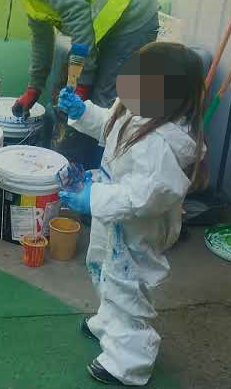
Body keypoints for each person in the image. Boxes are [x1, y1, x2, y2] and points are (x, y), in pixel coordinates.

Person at [57, 42, 205, 386]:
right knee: (103, 269)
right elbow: (108, 125)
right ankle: (110, 323)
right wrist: (82, 111)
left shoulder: (160, 142)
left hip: (137, 228)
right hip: (115, 218)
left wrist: (93, 196)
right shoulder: (136, 113)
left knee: (128, 288)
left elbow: (147, 196)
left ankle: (130, 360)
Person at [0, 0, 161, 168]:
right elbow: (41, 37)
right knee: (66, 94)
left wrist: (81, 83)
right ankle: (68, 169)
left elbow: (77, 12)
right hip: (106, 18)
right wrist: (33, 88)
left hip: (132, 12)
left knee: (106, 101)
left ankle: (95, 181)